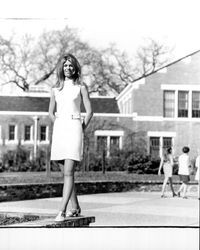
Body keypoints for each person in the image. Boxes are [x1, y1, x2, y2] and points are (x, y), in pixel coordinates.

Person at [49, 53, 93, 222]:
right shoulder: (55, 89)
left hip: (75, 128)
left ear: (75, 68)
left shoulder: (80, 87)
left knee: (69, 172)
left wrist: (80, 128)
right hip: (60, 129)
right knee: (65, 172)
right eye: (65, 65)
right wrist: (59, 124)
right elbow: (50, 112)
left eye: (71, 65)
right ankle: (75, 207)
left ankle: (62, 210)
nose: (68, 68)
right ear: (62, 68)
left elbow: (89, 112)